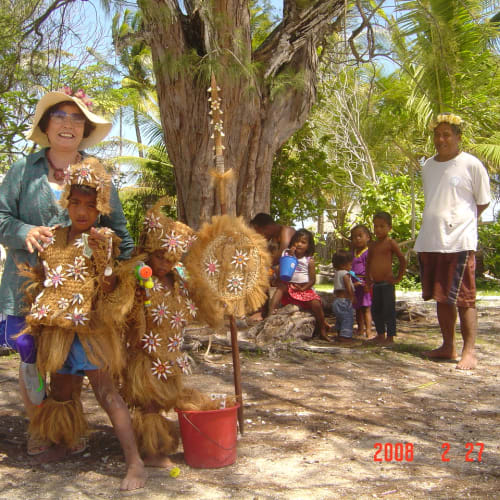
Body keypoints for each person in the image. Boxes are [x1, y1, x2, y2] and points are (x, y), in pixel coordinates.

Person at [0, 88, 134, 456]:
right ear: (45, 125)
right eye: (60, 115)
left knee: (69, 362)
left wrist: (129, 272)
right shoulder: (23, 170)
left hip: (83, 292)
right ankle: (39, 428)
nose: (68, 123)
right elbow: (0, 217)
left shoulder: (98, 173)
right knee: (32, 358)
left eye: (78, 118)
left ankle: (68, 429)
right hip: (25, 283)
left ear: (85, 130)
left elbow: (119, 230)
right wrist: (23, 231)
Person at [24, 158, 146, 491]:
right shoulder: (53, 238)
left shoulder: (103, 240)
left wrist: (104, 261)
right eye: (75, 203)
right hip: (59, 332)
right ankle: (63, 442)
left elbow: (108, 286)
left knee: (107, 394)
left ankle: (134, 462)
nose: (81, 211)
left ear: (101, 208)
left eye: (90, 206)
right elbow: (48, 281)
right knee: (61, 393)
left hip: (92, 332)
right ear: (66, 203)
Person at [119, 200, 219, 468]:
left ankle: (152, 443)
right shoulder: (138, 276)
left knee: (162, 400)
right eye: (160, 256)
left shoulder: (179, 278)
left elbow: (197, 305)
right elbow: (123, 310)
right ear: (150, 251)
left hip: (171, 353)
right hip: (144, 351)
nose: (164, 264)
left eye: (171, 259)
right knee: (148, 403)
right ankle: (152, 451)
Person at [414, 113, 491, 370]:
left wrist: (461, 223)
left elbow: (482, 202)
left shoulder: (471, 164)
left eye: (447, 134)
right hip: (431, 239)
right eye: (437, 134)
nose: (441, 139)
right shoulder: (428, 166)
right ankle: (448, 346)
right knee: (441, 297)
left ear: (458, 137)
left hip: (459, 241)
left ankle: (469, 351)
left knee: (464, 298)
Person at [268, 229, 331, 341]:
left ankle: (322, 327)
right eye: (297, 241)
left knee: (316, 304)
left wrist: (303, 288)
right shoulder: (287, 254)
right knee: (280, 289)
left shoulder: (308, 261)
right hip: (289, 286)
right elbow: (283, 267)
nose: (299, 244)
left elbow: (312, 280)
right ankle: (270, 312)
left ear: (308, 246)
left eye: (303, 242)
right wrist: (290, 256)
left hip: (304, 289)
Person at [366, 212, 406, 345]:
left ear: (389, 228)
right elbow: (368, 263)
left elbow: (402, 259)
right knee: (375, 310)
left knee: (388, 310)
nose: (378, 229)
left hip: (387, 284)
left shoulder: (390, 243)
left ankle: (390, 337)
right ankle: (380, 334)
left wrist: (398, 277)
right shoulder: (372, 245)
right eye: (375, 226)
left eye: (382, 226)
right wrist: (368, 280)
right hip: (376, 284)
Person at [249, 213, 295, 320]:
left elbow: (284, 252)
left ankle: (262, 311)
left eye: (260, 231)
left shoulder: (286, 231)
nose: (260, 235)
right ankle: (261, 310)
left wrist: (265, 264)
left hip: (291, 270)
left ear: (268, 227)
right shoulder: (273, 238)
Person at [350, 224, 373, 338]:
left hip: (364, 283)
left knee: (366, 308)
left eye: (360, 236)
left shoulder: (368, 252)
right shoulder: (352, 253)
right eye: (354, 237)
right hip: (354, 283)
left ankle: (368, 330)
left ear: (367, 237)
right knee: (358, 308)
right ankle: (360, 329)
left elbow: (371, 269)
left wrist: (368, 283)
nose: (357, 239)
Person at [331, 249, 355, 342]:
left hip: (337, 301)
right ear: (343, 265)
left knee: (340, 318)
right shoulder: (345, 274)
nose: (351, 266)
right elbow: (347, 286)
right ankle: (345, 336)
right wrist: (352, 296)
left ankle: (339, 333)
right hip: (344, 300)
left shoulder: (337, 273)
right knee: (347, 318)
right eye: (350, 264)